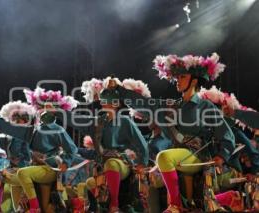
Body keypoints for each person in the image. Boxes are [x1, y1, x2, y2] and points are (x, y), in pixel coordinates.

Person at [112, 53, 236, 212]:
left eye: (182, 77)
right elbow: (144, 104)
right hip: (175, 157)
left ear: (194, 81)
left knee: (163, 157)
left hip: (196, 156)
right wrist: (119, 89)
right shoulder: (170, 107)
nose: (178, 80)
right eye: (177, 77)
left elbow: (226, 134)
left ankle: (176, 205)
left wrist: (222, 155)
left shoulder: (205, 106)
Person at [56, 77, 149, 213]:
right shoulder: (97, 122)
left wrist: (142, 163)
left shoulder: (125, 121)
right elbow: (74, 119)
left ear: (116, 104)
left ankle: (114, 205)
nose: (105, 105)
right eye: (104, 102)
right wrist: (57, 111)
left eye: (109, 102)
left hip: (122, 165)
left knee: (111, 163)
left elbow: (142, 145)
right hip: (103, 167)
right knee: (90, 183)